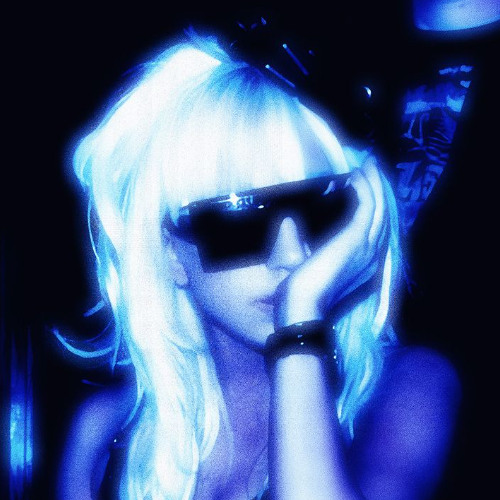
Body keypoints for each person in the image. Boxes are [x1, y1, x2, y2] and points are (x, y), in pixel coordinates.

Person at [55, 28, 461, 500]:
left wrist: (300, 319)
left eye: (319, 211)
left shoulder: (409, 389)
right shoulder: (105, 434)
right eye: (238, 221)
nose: (292, 256)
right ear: (171, 254)